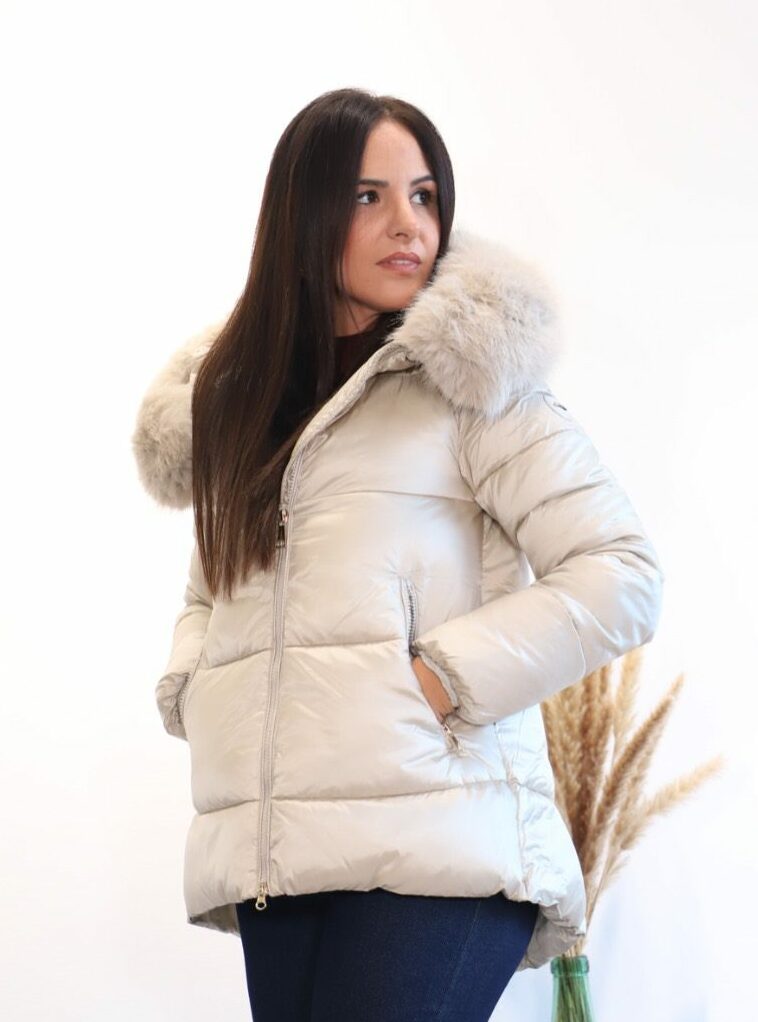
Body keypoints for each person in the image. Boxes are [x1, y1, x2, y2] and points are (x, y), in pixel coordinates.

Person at [131, 88, 664, 1021]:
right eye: (367, 196)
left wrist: (444, 679)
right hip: (286, 855)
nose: (407, 223)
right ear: (302, 216)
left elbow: (620, 569)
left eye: (423, 195)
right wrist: (196, 687)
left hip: (444, 842)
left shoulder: (475, 384)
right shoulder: (247, 405)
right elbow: (214, 588)